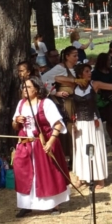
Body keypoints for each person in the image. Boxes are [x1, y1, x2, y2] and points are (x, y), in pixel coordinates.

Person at [12, 76, 71, 216]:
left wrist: (50, 143)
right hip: (25, 144)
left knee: (47, 174)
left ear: (37, 89)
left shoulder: (46, 103)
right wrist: (17, 120)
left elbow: (58, 124)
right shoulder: (21, 103)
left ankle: (54, 205)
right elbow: (14, 126)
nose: (25, 90)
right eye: (23, 87)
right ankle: (26, 204)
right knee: (24, 173)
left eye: (28, 87)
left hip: (43, 143)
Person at [91, 53, 112, 145]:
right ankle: (99, 140)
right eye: (108, 60)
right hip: (100, 99)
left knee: (111, 119)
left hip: (111, 98)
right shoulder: (95, 73)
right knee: (99, 120)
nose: (110, 62)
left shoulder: (110, 72)